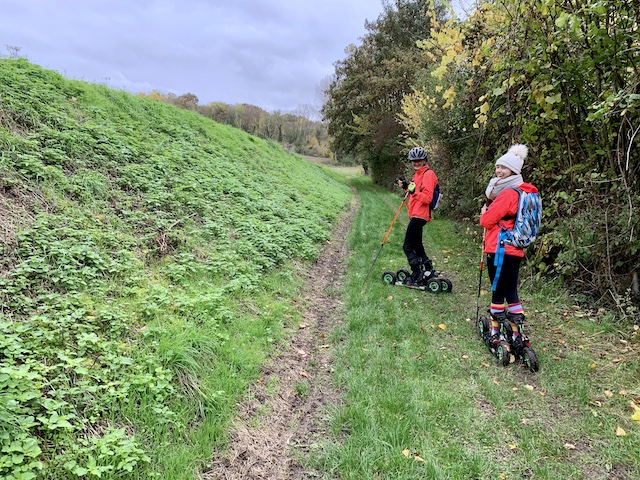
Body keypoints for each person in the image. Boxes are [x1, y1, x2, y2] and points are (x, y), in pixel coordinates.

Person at [479, 144, 538, 348]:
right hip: (515, 250)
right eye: (497, 167)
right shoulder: (524, 191)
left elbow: (486, 221)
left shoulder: (507, 194)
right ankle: (517, 333)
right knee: (511, 290)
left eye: (503, 168)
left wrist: (484, 213)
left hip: (499, 249)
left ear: (514, 171)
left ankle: (495, 333)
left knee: (497, 290)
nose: (498, 171)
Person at [397, 146, 438, 285]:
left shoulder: (428, 174)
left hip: (421, 215)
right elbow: (414, 193)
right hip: (415, 213)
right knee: (417, 244)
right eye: (414, 161)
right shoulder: (417, 175)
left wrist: (413, 192)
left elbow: (427, 198)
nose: (416, 163)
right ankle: (428, 268)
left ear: (425, 160)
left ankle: (417, 273)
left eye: (419, 160)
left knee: (407, 246)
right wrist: (406, 187)